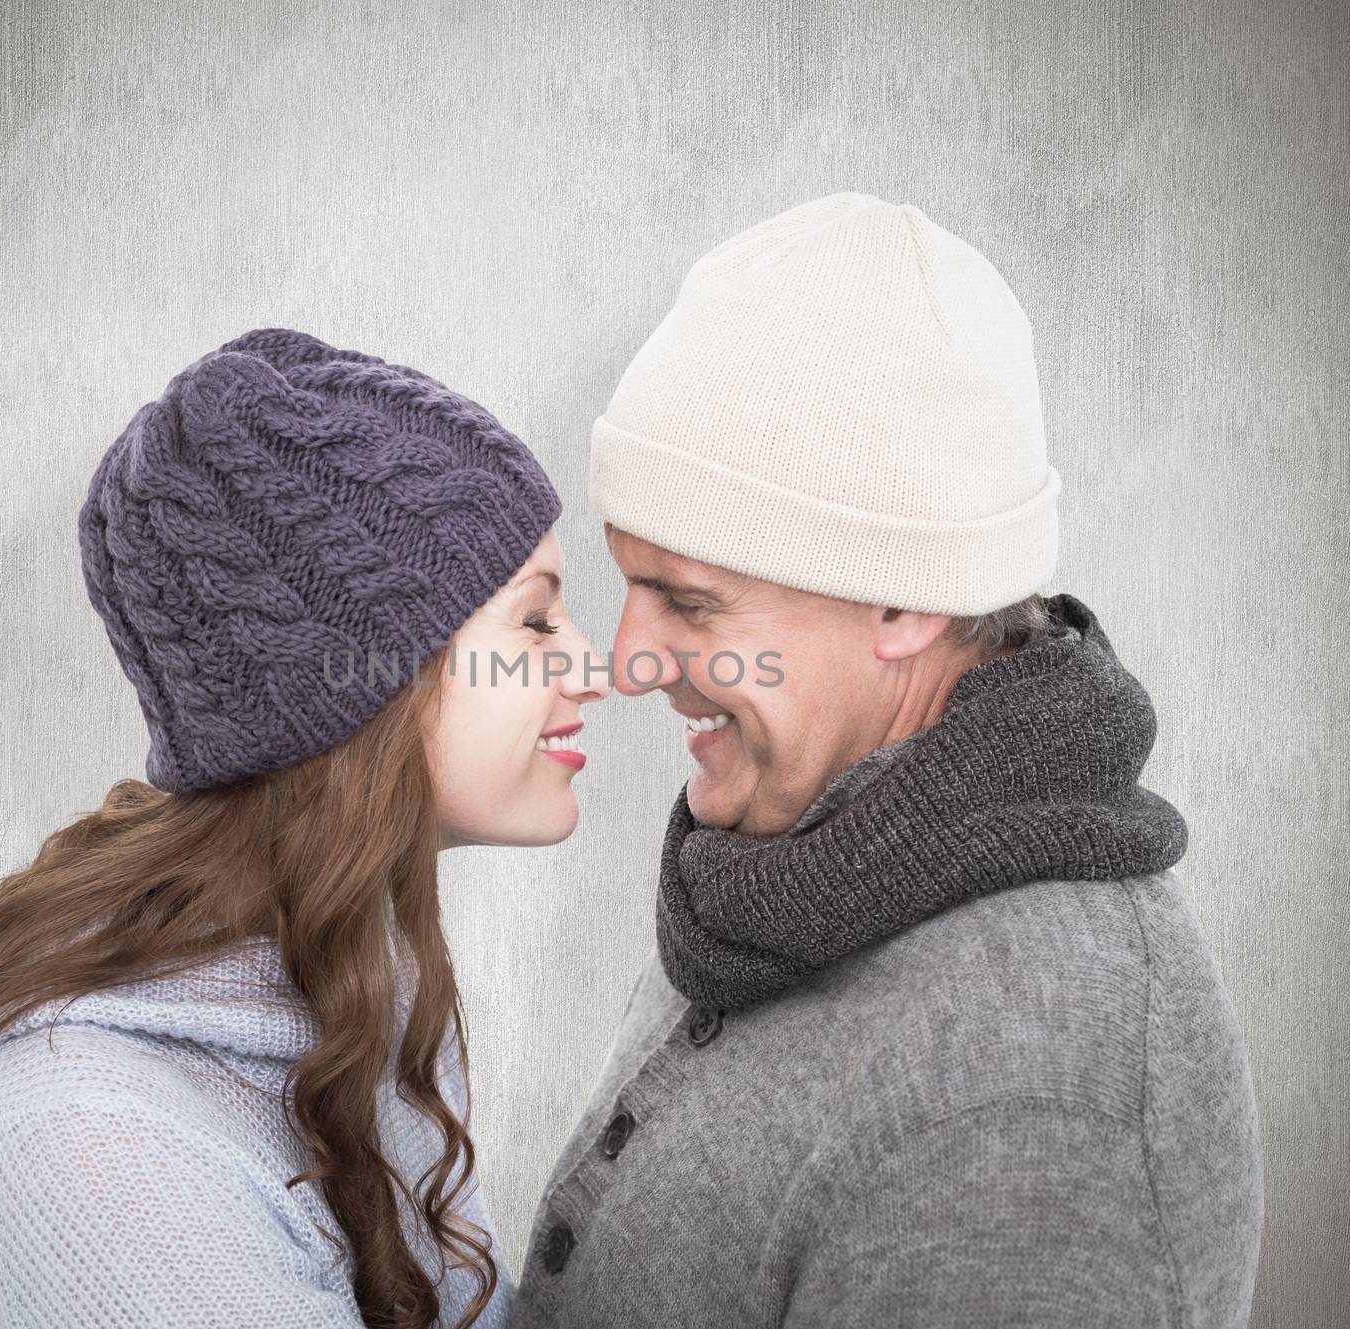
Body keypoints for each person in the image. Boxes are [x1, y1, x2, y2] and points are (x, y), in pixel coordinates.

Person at [509, 193, 1265, 1328]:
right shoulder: (796, 858)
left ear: (906, 601)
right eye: (628, 587)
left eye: (690, 602)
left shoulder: (1039, 1112)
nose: (628, 662)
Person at [0, 326, 609, 1329]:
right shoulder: (96, 1147)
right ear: (360, 680)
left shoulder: (349, 971)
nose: (594, 670)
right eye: (535, 621)